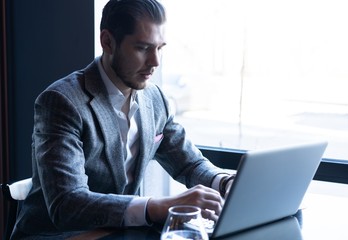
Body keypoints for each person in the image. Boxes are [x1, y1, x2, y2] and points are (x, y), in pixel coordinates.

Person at [11, 0, 234, 239]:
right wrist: (158, 206)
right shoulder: (61, 102)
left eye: (160, 48)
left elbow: (188, 163)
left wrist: (223, 183)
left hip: (121, 233)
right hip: (60, 235)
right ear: (107, 42)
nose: (155, 62)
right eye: (142, 48)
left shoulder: (155, 98)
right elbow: (68, 204)